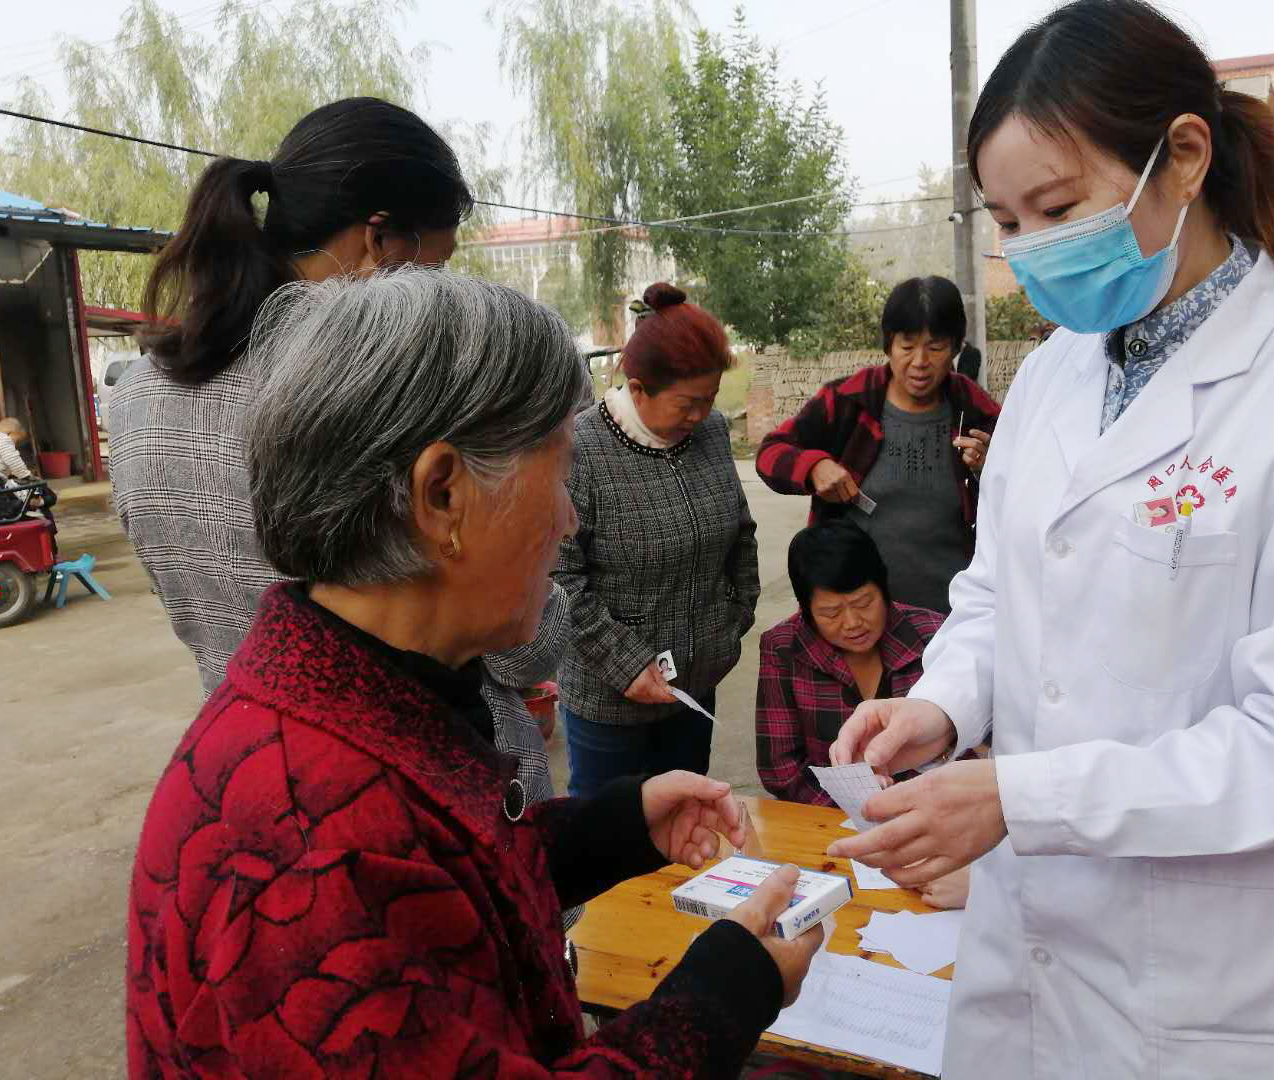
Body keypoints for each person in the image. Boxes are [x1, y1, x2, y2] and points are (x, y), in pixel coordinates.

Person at [825, 2, 1274, 1077]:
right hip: (1034, 962)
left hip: (1233, 988)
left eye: (1057, 208)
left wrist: (1024, 798)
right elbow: (998, 593)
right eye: (1008, 222)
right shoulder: (1053, 375)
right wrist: (943, 704)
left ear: (1183, 157)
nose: (1031, 248)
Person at [125, 269, 821, 1078]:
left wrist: (611, 829)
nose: (567, 519)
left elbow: (448, 876)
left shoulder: (363, 696)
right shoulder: (311, 848)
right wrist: (722, 996)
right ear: (443, 495)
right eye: (558, 474)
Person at [107, 97, 564, 827]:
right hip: (434, 791)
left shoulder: (135, 400)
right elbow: (518, 644)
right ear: (376, 241)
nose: (436, 294)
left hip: (251, 773)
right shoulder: (392, 395)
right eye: (436, 265)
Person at [554, 282, 759, 798]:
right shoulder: (581, 450)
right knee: (608, 832)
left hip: (694, 687)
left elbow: (741, 531)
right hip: (608, 702)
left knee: (686, 820)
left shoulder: (710, 432)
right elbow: (558, 578)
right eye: (687, 404)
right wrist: (624, 665)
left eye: (709, 400)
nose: (701, 416)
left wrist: (733, 620)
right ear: (638, 389)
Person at [756, 276, 1002, 613]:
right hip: (854, 620)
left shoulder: (977, 412)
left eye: (935, 347)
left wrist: (991, 469)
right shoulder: (848, 401)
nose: (920, 361)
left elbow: (1030, 497)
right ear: (888, 345)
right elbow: (770, 452)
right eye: (906, 346)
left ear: (957, 348)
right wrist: (813, 467)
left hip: (955, 618)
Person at [755, 522, 966, 909]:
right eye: (831, 612)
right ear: (806, 610)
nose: (852, 623)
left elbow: (971, 747)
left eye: (864, 602)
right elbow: (780, 769)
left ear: (884, 588)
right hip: (832, 833)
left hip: (935, 833)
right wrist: (861, 817)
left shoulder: (935, 635)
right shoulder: (783, 647)